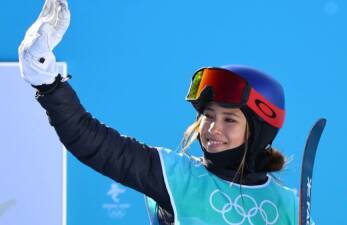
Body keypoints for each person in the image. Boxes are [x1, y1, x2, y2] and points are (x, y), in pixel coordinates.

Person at [18, 0, 299, 224]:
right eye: (208, 116)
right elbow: (93, 142)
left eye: (229, 119)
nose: (213, 128)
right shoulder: (175, 177)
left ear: (259, 130)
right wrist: (48, 83)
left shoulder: (288, 205)